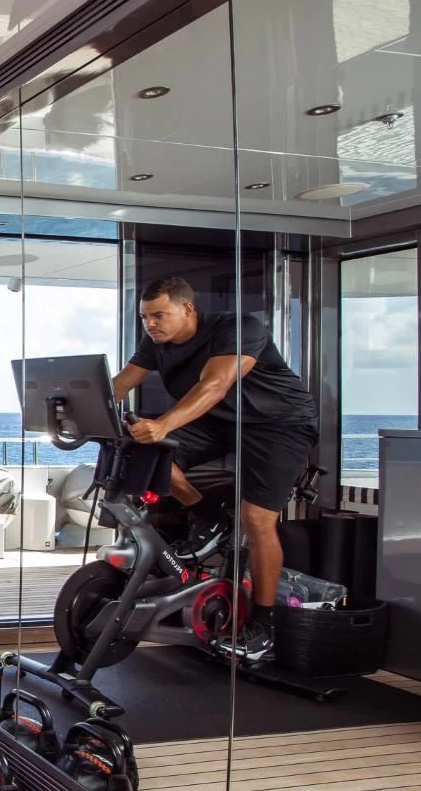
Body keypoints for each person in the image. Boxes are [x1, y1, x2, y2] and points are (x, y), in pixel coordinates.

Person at [111, 276, 318, 663]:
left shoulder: (237, 328)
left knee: (257, 520)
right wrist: (79, 411)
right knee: (150, 455)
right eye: (144, 317)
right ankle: (209, 519)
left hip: (279, 425)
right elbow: (120, 384)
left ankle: (263, 626)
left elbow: (215, 385)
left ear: (187, 309)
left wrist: (163, 424)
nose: (150, 324)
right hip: (220, 423)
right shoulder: (155, 343)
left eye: (159, 315)